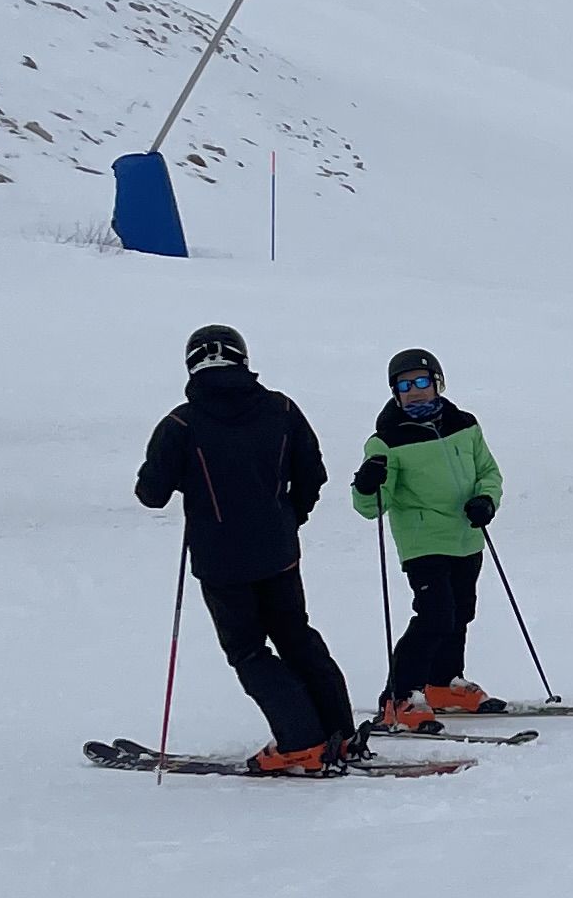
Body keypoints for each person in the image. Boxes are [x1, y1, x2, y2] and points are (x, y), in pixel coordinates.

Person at [134, 323, 359, 772]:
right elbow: (312, 473)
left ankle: (302, 742)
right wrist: (289, 516)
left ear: (192, 364)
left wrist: (179, 476)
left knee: (249, 651)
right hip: (278, 551)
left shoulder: (180, 423)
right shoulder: (281, 408)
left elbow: (150, 494)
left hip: (221, 560)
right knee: (297, 635)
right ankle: (340, 733)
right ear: (243, 359)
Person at [353, 346, 507, 724]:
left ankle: (442, 684)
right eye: (404, 386)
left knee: (460, 613)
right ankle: (399, 696)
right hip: (423, 543)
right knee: (435, 615)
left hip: (466, 536)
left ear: (437, 383)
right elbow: (372, 507)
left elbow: (488, 471)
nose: (414, 391)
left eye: (421, 382)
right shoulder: (386, 441)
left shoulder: (465, 425)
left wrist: (485, 500)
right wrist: (366, 483)